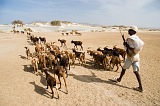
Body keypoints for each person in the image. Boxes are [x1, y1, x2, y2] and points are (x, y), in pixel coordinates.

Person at [115, 25, 144, 92]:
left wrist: (126, 45)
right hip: (136, 56)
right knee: (136, 71)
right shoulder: (137, 38)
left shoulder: (130, 38)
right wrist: (126, 44)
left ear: (133, 31)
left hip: (130, 56)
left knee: (124, 68)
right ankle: (140, 87)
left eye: (129, 30)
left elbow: (131, 48)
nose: (128, 31)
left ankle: (119, 79)